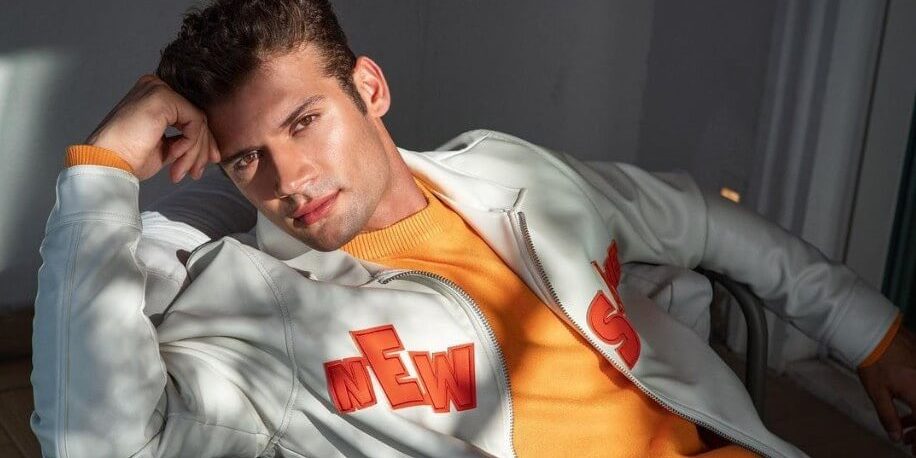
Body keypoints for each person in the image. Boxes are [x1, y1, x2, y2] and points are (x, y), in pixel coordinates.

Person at [30, 0, 915, 457]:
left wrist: (874, 337)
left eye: (304, 122)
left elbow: (701, 223)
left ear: (369, 89)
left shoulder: (509, 174)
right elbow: (97, 445)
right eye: (246, 159)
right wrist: (99, 173)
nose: (287, 181)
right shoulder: (258, 307)